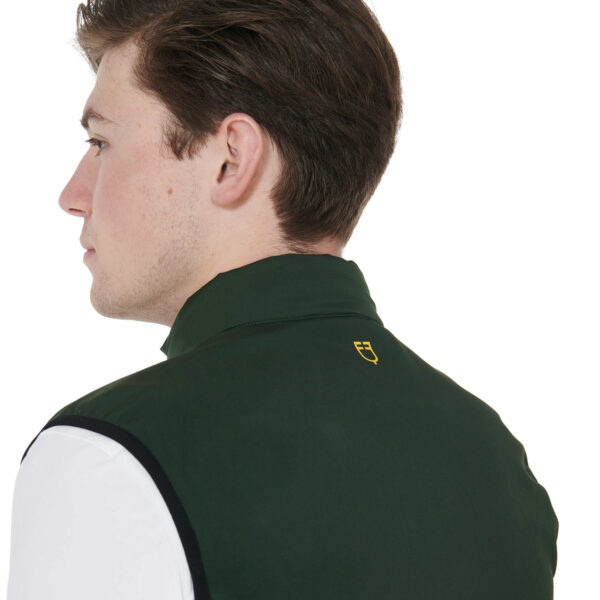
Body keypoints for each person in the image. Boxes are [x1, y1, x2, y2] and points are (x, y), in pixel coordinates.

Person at [7, 0, 558, 598]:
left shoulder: (105, 458)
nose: (73, 195)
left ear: (230, 159)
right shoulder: (493, 456)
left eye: (101, 142)